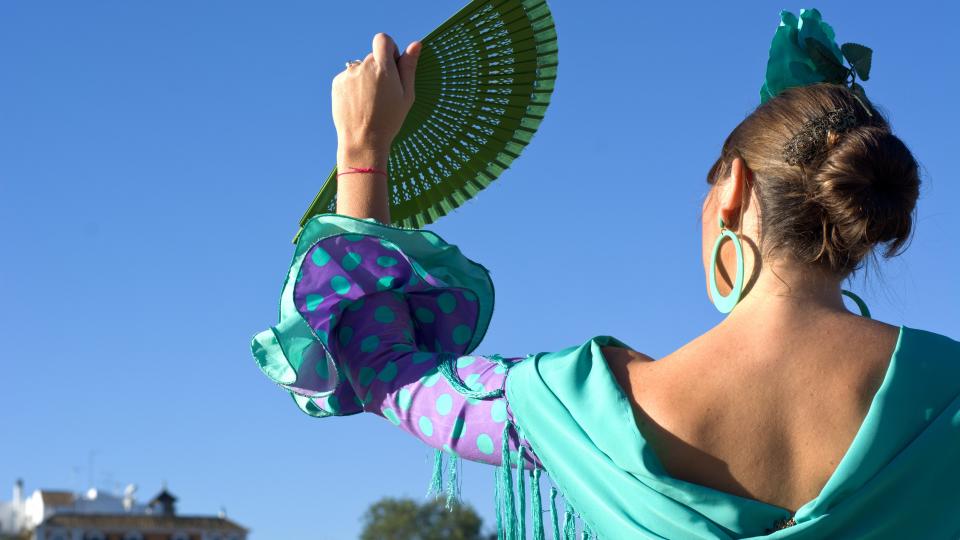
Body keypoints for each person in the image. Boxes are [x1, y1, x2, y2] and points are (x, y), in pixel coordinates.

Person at [252, 29, 960, 539]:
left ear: (734, 191)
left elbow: (388, 370)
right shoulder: (948, 391)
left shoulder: (583, 410)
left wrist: (363, 152)